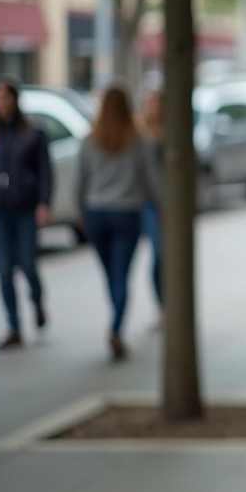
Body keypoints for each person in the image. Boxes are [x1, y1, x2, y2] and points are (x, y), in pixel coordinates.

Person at [77, 84, 161, 361]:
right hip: (126, 213)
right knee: (121, 274)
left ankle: (115, 322)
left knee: (110, 274)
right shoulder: (138, 140)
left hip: (97, 213)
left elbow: (81, 181)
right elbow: (150, 181)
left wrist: (81, 211)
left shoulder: (90, 140)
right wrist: (160, 205)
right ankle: (116, 327)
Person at [0, 74, 52, 351]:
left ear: (15, 99)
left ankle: (37, 298)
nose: (2, 102)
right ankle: (14, 326)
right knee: (5, 268)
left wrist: (44, 203)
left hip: (24, 207)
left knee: (28, 263)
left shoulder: (32, 132)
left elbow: (44, 171)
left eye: (6, 97)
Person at [138, 88, 164, 316]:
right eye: (151, 103)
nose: (154, 108)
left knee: (166, 255)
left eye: (158, 104)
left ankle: (168, 303)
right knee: (159, 253)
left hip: (168, 203)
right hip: (148, 203)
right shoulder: (141, 133)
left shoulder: (171, 132)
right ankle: (161, 304)